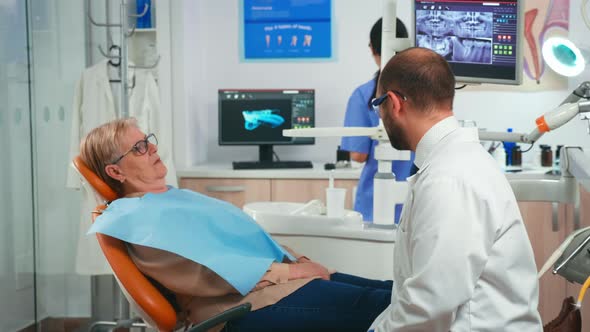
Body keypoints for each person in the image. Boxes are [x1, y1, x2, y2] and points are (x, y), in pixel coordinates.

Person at [79, 118, 392, 332]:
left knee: (392, 290)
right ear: (115, 172)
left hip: (277, 285)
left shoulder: (170, 198)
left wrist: (300, 261)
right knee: (383, 305)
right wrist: (293, 270)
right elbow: (212, 271)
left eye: (148, 140)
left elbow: (245, 241)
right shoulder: (136, 221)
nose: (152, 149)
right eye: (139, 148)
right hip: (241, 309)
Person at [367, 47, 542, 331]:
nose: (381, 115)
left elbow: (429, 306)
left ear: (395, 103)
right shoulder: (451, 163)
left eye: (379, 104)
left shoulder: (448, 178)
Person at [341, 17, 415, 222]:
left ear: (372, 48)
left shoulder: (363, 96)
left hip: (375, 203)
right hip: (417, 201)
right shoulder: (422, 93)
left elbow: (358, 155)